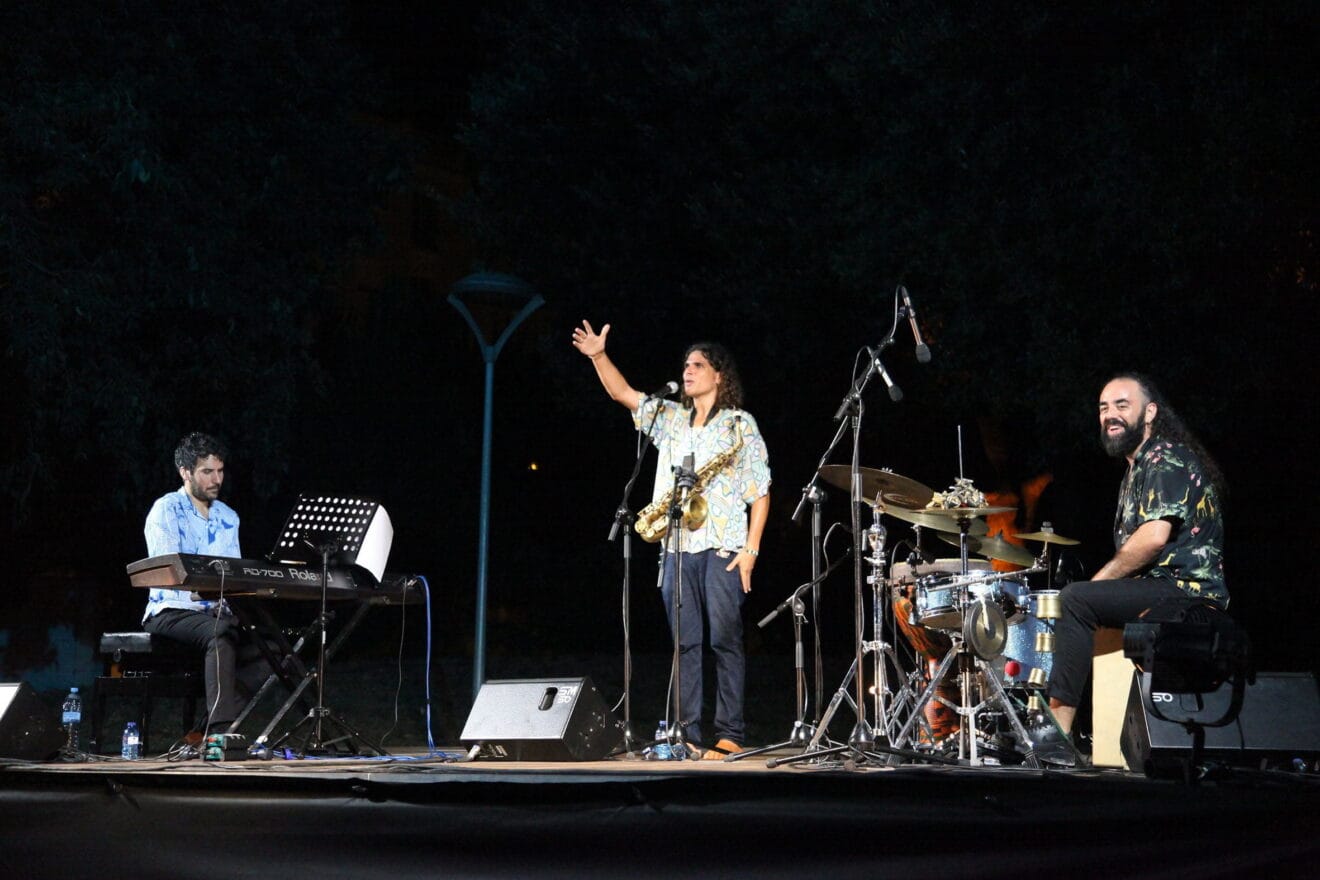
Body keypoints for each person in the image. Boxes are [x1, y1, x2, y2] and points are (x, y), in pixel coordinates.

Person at [572, 320, 771, 758]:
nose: (688, 370)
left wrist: (750, 550)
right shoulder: (671, 419)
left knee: (724, 640)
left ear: (719, 375)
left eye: (698, 365)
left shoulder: (740, 425)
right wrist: (598, 356)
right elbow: (623, 394)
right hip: (677, 548)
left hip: (722, 547)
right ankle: (686, 734)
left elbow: (760, 492)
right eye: (685, 365)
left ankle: (730, 733)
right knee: (685, 645)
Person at [1045, 373, 1227, 742]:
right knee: (1077, 600)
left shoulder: (1165, 458)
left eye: (1122, 405)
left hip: (1186, 593)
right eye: (1103, 407)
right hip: (1164, 589)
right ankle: (1098, 736)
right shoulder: (1138, 467)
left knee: (1076, 600)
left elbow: (1153, 539)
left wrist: (1098, 584)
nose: (1110, 414)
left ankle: (1056, 732)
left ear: (1150, 413)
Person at [142, 432, 267, 738]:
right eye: (207, 472)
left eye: (220, 471)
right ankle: (221, 733)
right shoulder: (166, 509)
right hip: (171, 610)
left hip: (215, 612)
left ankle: (200, 734)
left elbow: (233, 574)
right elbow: (168, 573)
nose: (216, 479)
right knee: (220, 634)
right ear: (186, 472)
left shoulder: (229, 517)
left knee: (274, 651)